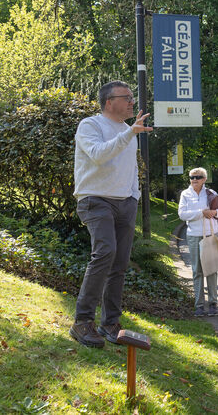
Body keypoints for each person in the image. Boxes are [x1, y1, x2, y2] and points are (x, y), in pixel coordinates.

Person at [70, 80, 153, 348]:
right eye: (126, 97)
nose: (132, 102)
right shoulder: (90, 125)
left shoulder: (129, 131)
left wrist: (133, 196)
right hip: (95, 199)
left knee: (119, 263)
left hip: (125, 203)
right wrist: (130, 134)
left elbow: (131, 170)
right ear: (109, 101)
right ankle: (82, 321)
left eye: (132, 97)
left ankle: (110, 323)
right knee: (105, 252)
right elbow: (97, 155)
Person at [178, 167, 218, 317]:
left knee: (212, 269)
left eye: (198, 177)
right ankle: (199, 305)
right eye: (192, 177)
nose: (194, 179)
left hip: (211, 234)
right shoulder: (185, 194)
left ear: (204, 179)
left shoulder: (211, 193)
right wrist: (201, 212)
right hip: (194, 235)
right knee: (197, 270)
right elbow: (182, 214)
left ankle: (213, 303)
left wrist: (214, 212)